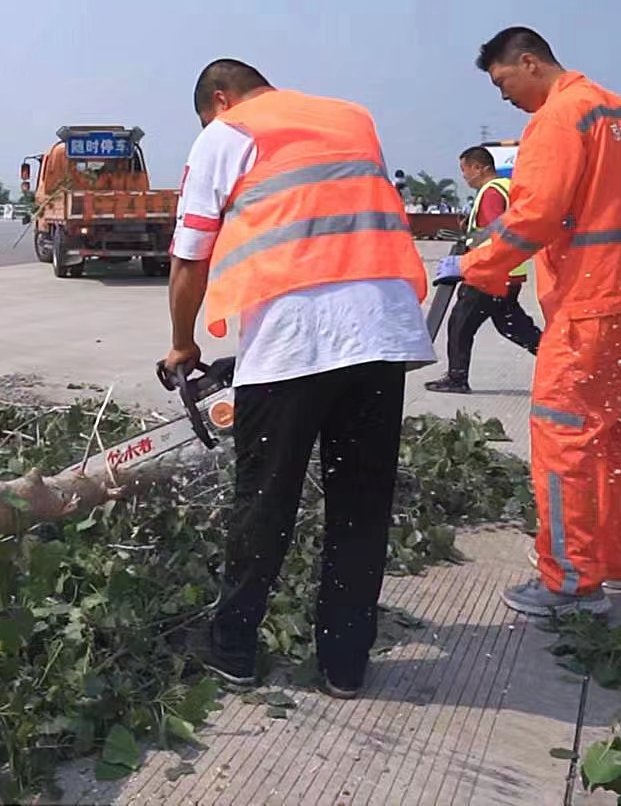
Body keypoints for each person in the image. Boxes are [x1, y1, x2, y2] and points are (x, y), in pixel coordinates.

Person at [164, 58, 435, 697]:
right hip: (381, 336)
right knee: (360, 506)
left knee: (264, 499)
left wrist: (182, 345)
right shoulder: (353, 119)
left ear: (220, 100)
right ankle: (345, 664)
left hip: (292, 342)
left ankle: (234, 650)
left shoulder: (226, 132)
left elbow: (189, 257)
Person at [437, 27, 621, 616]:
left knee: (564, 441)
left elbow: (535, 216)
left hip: (590, 304)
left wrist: (472, 266)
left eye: (503, 81)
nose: (504, 96)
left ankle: (569, 581)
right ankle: (609, 562)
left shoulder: (559, 117)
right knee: (612, 437)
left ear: (529, 62)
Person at [426, 147, 542, 393]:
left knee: (460, 324)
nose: (464, 176)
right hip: (509, 273)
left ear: (478, 168)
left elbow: (496, 234)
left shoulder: (490, 193)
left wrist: (472, 262)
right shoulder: (507, 187)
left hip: (488, 275)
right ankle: (556, 360)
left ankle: (457, 378)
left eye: (465, 169)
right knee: (513, 326)